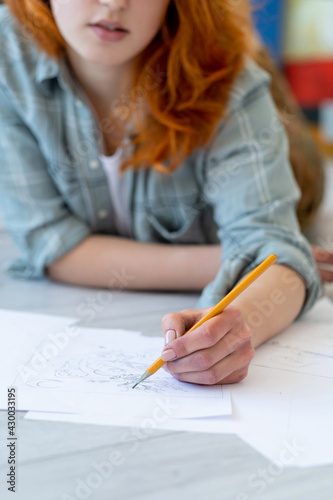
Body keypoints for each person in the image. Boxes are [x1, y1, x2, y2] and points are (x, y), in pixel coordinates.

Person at [0, 0, 328, 386]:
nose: (113, 4)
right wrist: (233, 263)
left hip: (294, 163)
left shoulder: (229, 77)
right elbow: (52, 245)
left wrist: (239, 324)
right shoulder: (10, 53)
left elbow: (278, 253)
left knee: (296, 160)